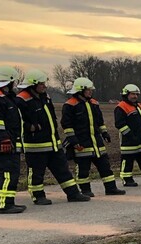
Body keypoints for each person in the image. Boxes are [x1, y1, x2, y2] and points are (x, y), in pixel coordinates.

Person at [15, 69, 89, 205]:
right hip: (35, 145)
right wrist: (30, 127)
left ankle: (73, 193)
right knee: (36, 173)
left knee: (63, 170)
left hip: (53, 142)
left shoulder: (45, 96)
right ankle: (38, 196)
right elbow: (16, 120)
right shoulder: (21, 99)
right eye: (42, 84)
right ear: (33, 84)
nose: (45, 86)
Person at [61, 77, 126, 197]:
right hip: (81, 142)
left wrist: (104, 133)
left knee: (105, 166)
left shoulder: (94, 103)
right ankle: (85, 190)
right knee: (83, 169)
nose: (91, 92)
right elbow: (67, 125)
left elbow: (99, 121)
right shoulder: (70, 105)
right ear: (80, 90)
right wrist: (73, 141)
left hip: (96, 142)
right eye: (88, 90)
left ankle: (111, 188)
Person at [0, 66, 26, 213]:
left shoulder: (4, 98)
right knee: (7, 174)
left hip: (9, 142)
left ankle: (8, 202)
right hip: (4, 143)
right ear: (8, 82)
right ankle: (5, 205)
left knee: (11, 173)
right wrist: (4, 139)